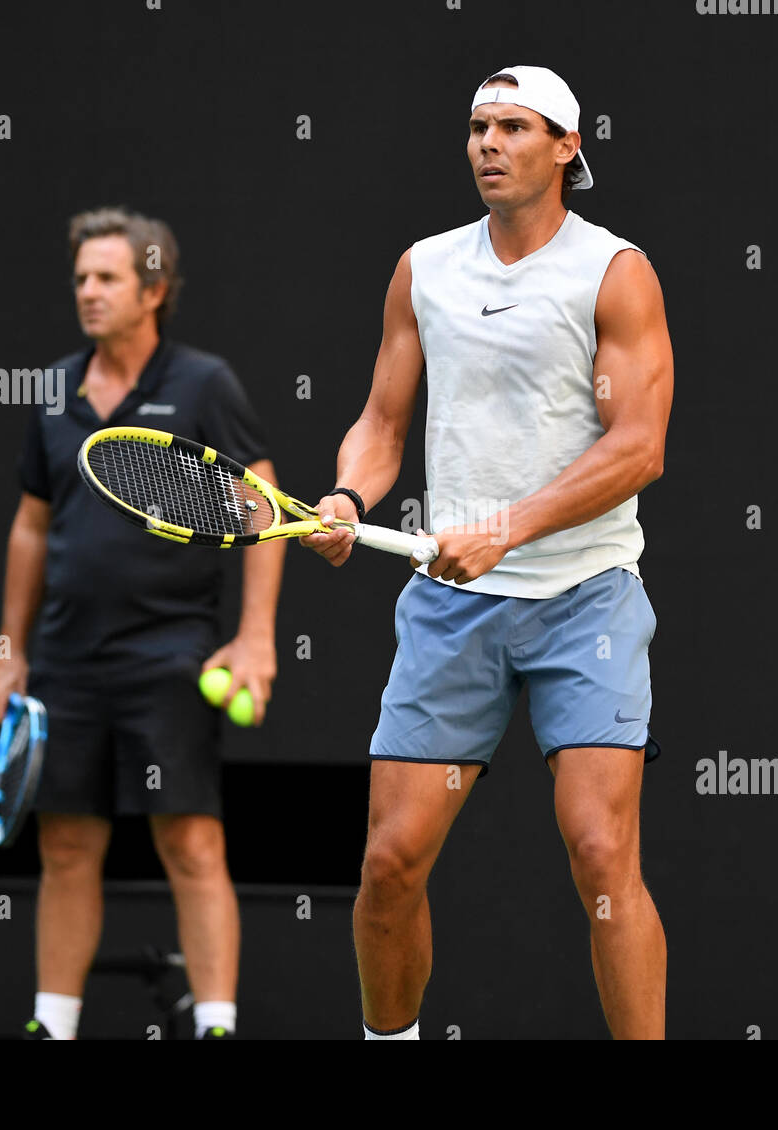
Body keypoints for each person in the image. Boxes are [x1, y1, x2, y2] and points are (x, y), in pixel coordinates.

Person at [301, 66, 675, 1039]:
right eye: (476, 126)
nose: (487, 144)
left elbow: (639, 445)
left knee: (601, 852)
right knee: (388, 862)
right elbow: (382, 423)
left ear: (566, 146)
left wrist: (507, 525)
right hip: (450, 604)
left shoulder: (614, 271)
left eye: (513, 126)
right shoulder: (424, 268)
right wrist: (347, 494)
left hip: (584, 597)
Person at [0, 207, 284, 1040]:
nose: (88, 292)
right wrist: (11, 652)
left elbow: (262, 511)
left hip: (172, 655)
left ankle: (216, 1025)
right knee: (66, 848)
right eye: (81, 277)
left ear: (153, 289)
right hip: (67, 661)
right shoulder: (54, 389)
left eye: (107, 278)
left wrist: (256, 637)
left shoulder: (205, 386)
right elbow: (30, 527)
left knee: (190, 841)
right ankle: (53, 1024)